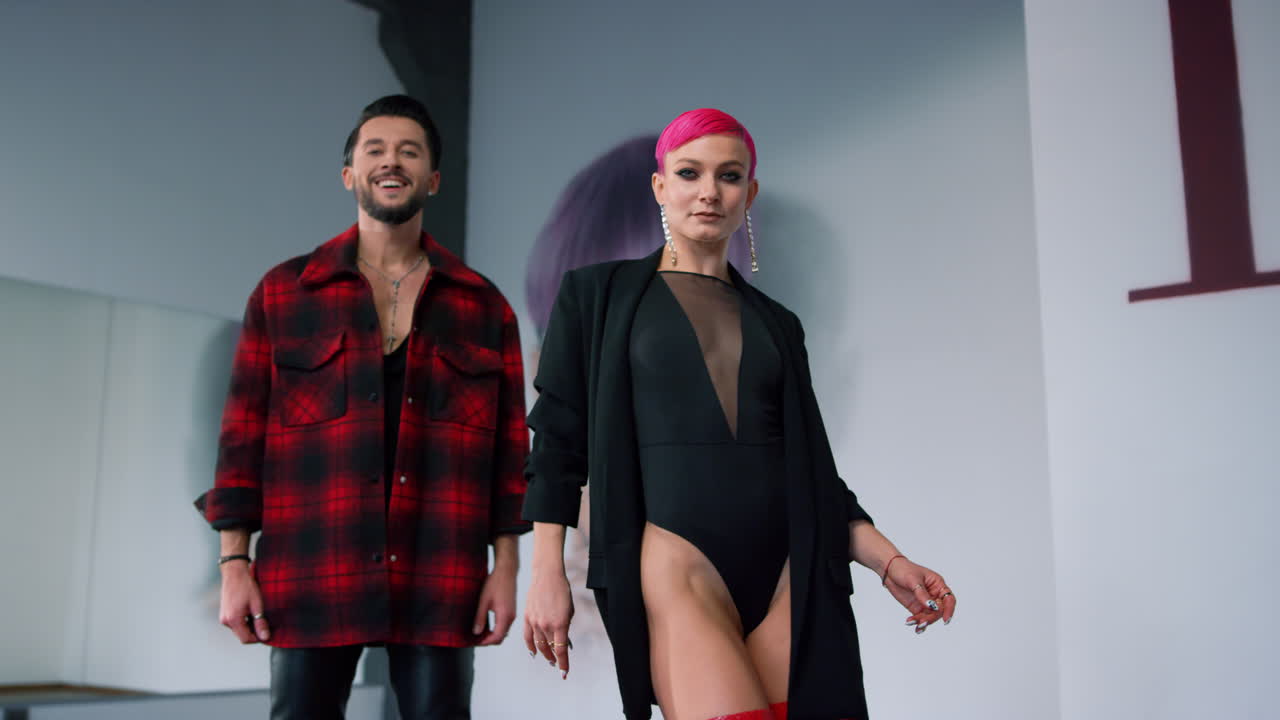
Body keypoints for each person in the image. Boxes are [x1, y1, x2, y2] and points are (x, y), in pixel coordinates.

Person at [521, 108, 956, 720]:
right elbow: (557, 447)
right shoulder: (596, 296)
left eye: (728, 176)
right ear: (660, 186)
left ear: (748, 194)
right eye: (688, 173)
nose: (708, 191)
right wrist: (547, 574)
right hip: (678, 567)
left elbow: (813, 475)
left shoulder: (780, 324)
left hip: (788, 573)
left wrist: (890, 561)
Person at [194, 95, 529, 720]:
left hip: (440, 571)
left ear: (433, 178)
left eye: (409, 151)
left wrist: (506, 568)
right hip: (310, 567)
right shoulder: (283, 294)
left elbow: (510, 458)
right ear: (350, 174)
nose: (391, 162)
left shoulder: (484, 306)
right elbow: (241, 439)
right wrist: (234, 563)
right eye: (375, 150)